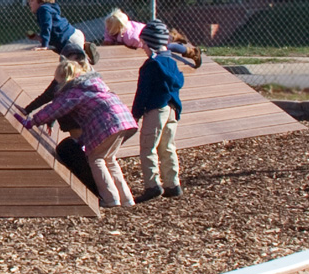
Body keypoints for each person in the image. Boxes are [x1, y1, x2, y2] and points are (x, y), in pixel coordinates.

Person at [18, 53, 137, 207]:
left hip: (109, 125)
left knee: (96, 159)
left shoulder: (73, 91)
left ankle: (111, 199)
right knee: (109, 159)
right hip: (125, 121)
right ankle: (127, 199)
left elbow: (55, 109)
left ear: (64, 78)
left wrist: (33, 122)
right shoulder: (94, 84)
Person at [128, 20, 185, 203]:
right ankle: (172, 184)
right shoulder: (172, 62)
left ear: (151, 43)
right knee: (168, 147)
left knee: (148, 147)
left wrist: (135, 114)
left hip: (156, 109)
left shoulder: (151, 65)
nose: (142, 46)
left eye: (144, 43)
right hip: (172, 109)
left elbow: (143, 92)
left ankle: (152, 185)